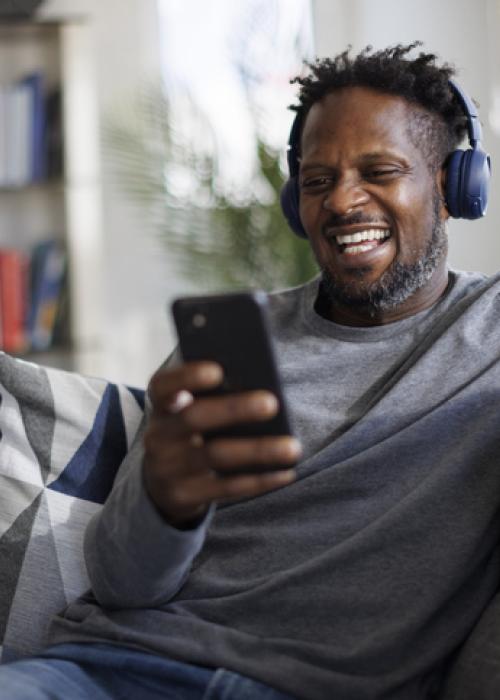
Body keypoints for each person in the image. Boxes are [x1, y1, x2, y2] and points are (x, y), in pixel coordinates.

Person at [0, 42, 499, 699]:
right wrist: (164, 501)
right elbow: (123, 583)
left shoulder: (489, 334)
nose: (343, 201)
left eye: (379, 170)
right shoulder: (232, 340)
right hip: (108, 669)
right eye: (318, 181)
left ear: (452, 184)